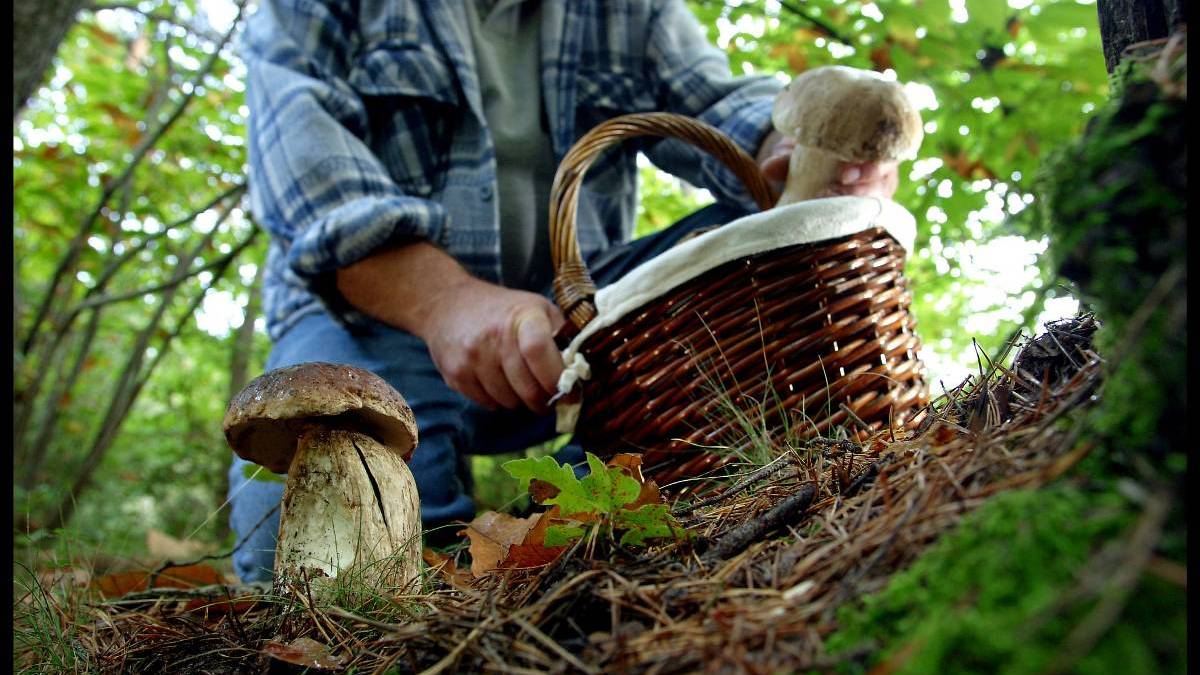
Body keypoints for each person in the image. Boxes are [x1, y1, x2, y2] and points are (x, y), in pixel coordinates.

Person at [228, 0, 898, 583]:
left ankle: (654, 493)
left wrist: (797, 151)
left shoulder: (633, 10)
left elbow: (718, 104)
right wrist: (445, 302)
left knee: (759, 237)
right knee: (308, 561)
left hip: (576, 328)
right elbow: (310, 176)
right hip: (371, 317)